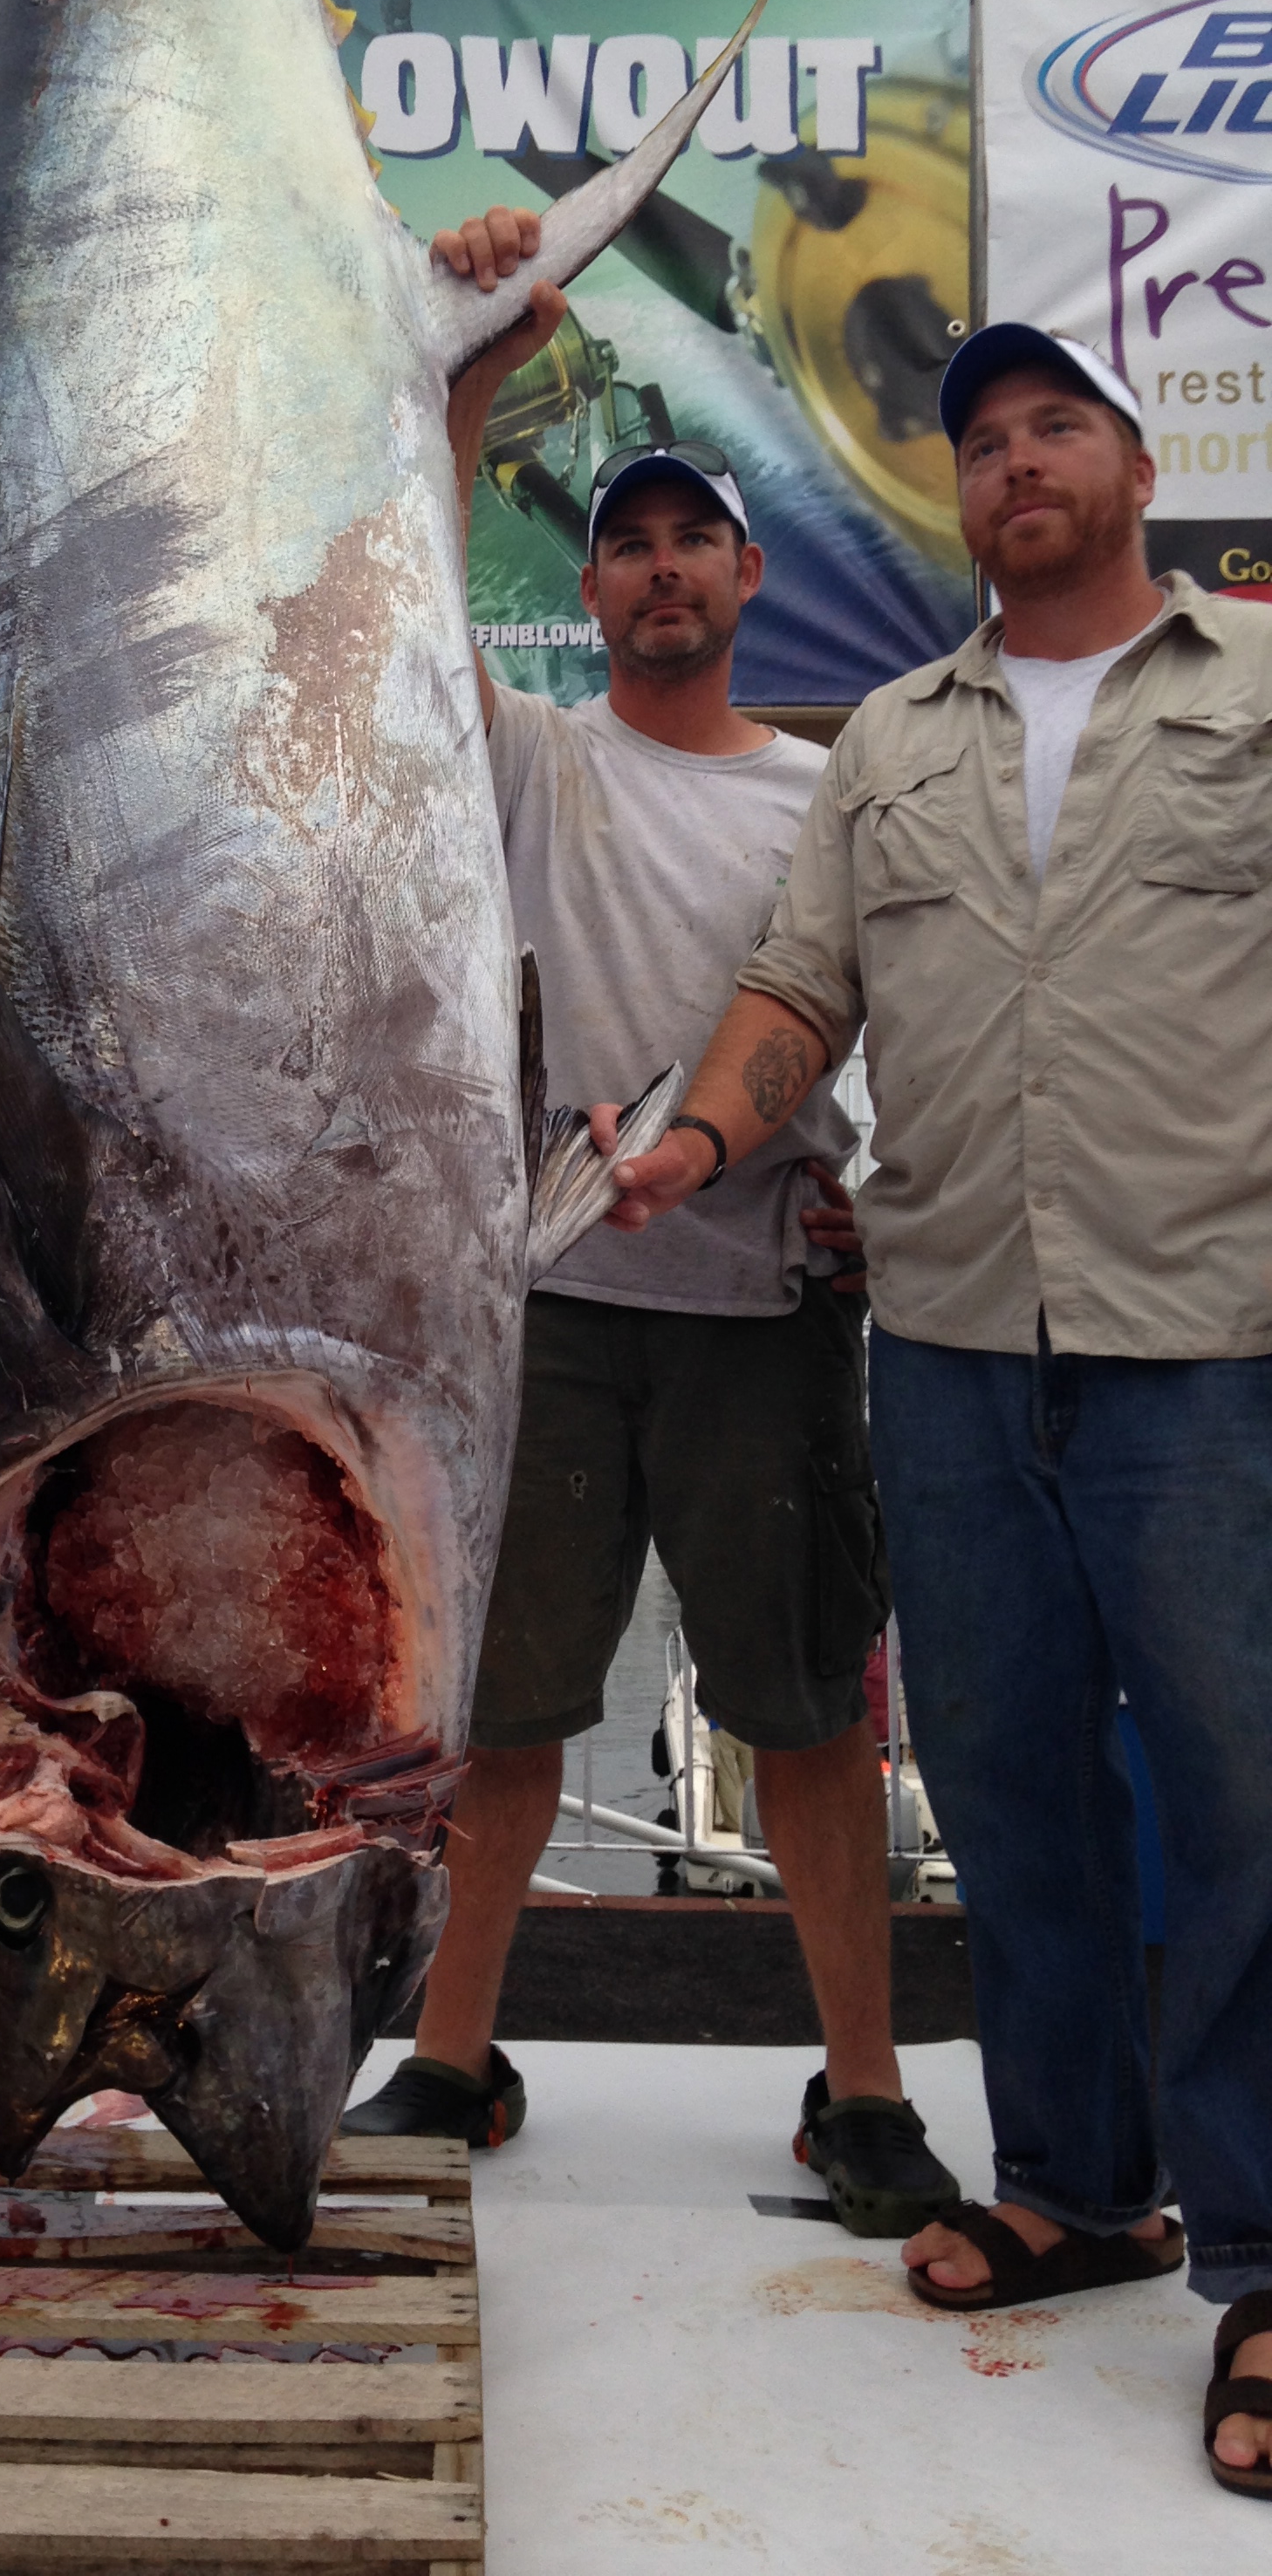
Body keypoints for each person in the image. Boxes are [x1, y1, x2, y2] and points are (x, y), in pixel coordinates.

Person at [604, 320, 1272, 2492]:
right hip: (958, 1340)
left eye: (1056, 425)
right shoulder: (889, 737)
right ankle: (1079, 2185)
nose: (1015, 464)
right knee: (1006, 1785)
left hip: (1218, 1343)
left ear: (1140, 466)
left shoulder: (1261, 687)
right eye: (982, 442)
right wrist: (700, 1143)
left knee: (1247, 1804)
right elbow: (800, 988)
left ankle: (1268, 2254)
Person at [346, 210, 959, 2244]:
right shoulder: (526, 760)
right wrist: (471, 383)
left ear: (748, 577)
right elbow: (403, 589)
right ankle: (455, 2056)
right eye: (629, 544)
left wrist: (871, 1204)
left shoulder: (829, 797)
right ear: (590, 587)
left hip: (765, 1324)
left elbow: (890, 1030)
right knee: (504, 1719)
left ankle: (862, 2088)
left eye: (698, 539)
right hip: (543, 1320)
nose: (664, 568)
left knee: (804, 1721)